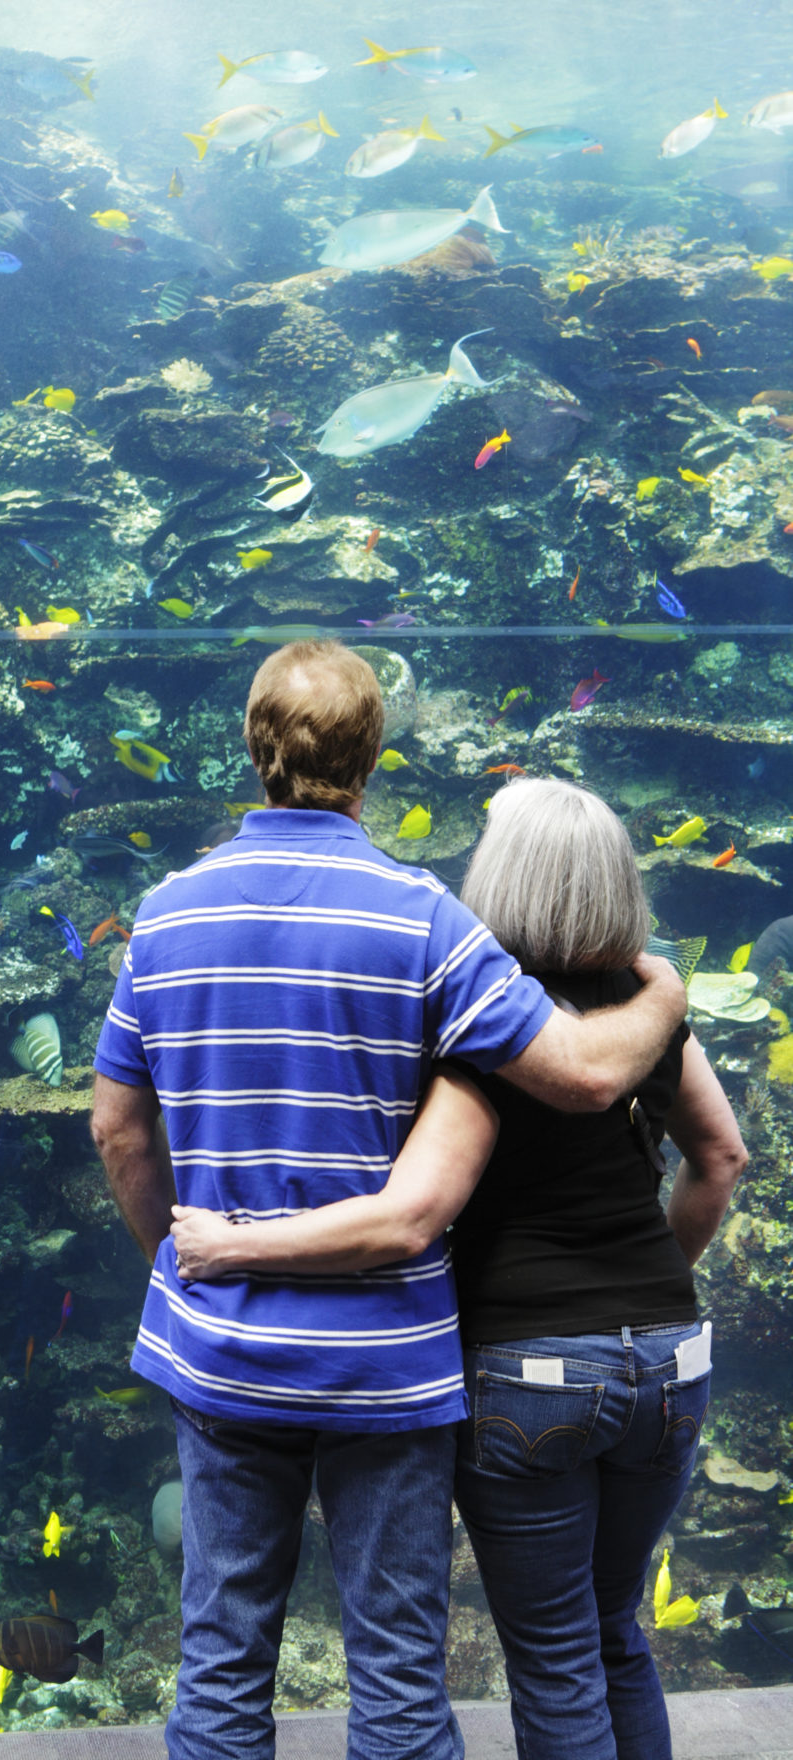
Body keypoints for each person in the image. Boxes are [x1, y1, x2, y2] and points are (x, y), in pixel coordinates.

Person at [91, 641, 690, 1760]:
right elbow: (578, 1071)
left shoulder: (163, 916)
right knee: (400, 1680)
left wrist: (182, 1260)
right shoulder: (422, 917)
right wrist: (665, 995)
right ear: (373, 757)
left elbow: (117, 1126)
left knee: (219, 1666)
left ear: (252, 748)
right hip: (387, 1363)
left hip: (220, 1344)